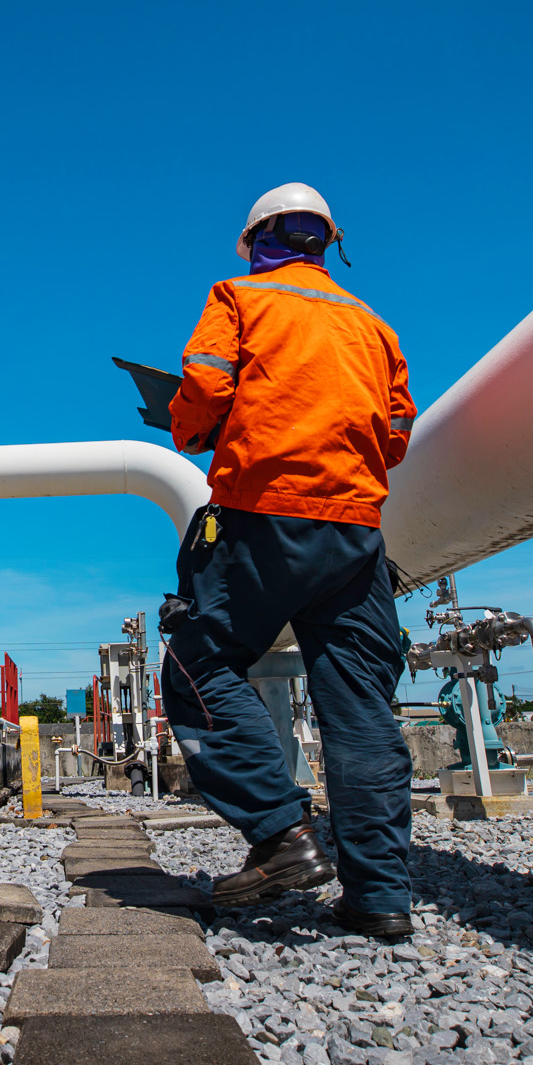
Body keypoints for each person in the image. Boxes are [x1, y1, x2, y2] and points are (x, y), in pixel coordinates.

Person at [158, 182, 417, 936]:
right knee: (361, 706)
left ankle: (281, 834)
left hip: (264, 517)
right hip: (356, 532)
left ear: (259, 240)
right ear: (325, 243)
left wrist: (190, 425)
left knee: (195, 667)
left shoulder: (239, 298)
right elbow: (396, 430)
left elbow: (205, 385)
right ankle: (381, 895)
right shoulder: (373, 324)